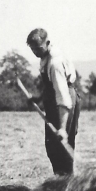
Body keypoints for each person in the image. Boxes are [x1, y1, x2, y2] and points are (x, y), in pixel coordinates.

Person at [26, 28, 81, 176]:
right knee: (53, 146)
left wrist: (62, 128)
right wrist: (38, 99)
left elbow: (63, 98)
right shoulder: (45, 56)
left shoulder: (55, 63)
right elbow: (51, 86)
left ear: (47, 42)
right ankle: (61, 182)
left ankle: (66, 186)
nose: (36, 52)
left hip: (64, 102)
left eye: (38, 48)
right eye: (32, 49)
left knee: (61, 146)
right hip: (55, 99)